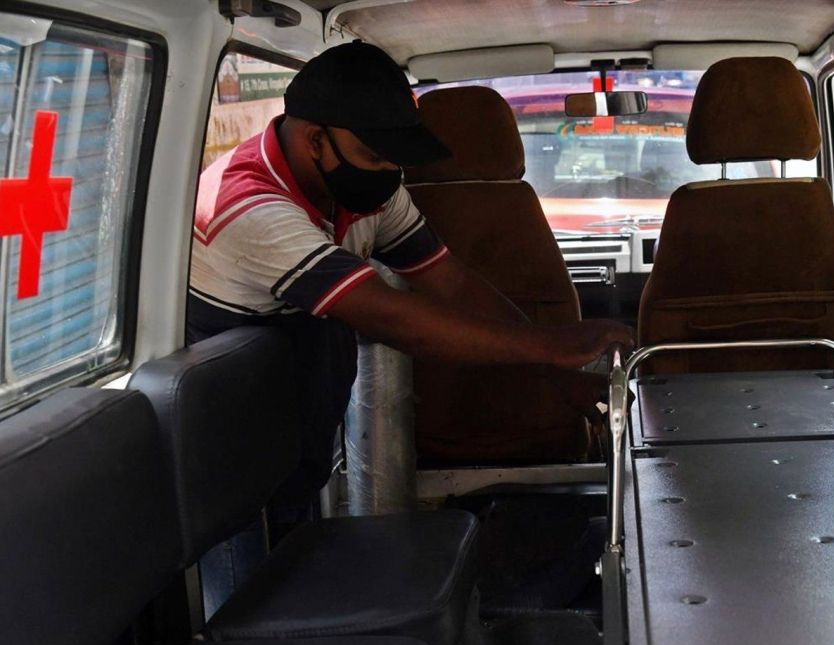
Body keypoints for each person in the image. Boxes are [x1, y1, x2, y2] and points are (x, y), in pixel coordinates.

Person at [188, 41, 632, 611]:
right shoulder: (249, 207)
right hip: (231, 456)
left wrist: (555, 371)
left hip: (295, 432)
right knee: (247, 619)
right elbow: (398, 321)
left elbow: (452, 284)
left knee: (303, 599)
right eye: (377, 155)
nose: (390, 176)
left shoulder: (362, 188)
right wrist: (550, 346)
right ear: (315, 139)